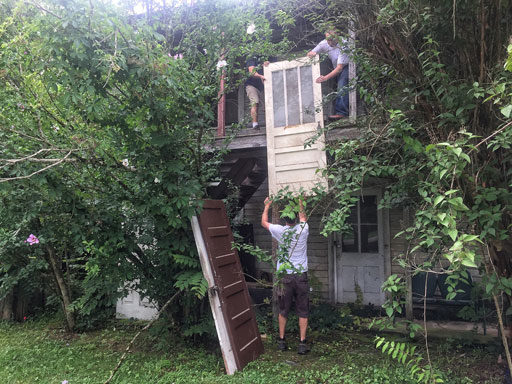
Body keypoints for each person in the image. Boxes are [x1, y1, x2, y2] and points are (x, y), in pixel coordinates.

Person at [261, 197, 310, 354]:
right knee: (303, 309)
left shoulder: (280, 231)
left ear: (284, 219)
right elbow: (303, 217)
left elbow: (263, 223)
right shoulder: (303, 229)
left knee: (284, 308)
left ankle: (282, 341)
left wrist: (267, 206)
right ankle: (302, 343)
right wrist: (300, 201)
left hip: (286, 277)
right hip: (301, 276)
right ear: (295, 218)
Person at [307, 29, 350, 119]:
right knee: (337, 87)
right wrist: (312, 54)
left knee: (342, 85)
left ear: (337, 37)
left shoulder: (343, 45)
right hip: (335, 68)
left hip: (346, 66)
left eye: (331, 39)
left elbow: (339, 68)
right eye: (328, 39)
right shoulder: (324, 43)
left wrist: (325, 78)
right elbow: (311, 53)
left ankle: (342, 112)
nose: (329, 42)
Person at [245, 58, 269, 129]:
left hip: (262, 86)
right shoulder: (252, 58)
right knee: (254, 102)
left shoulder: (267, 58)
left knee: (267, 104)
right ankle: (255, 124)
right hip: (251, 85)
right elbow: (252, 71)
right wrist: (260, 76)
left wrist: (268, 64)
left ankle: (269, 123)